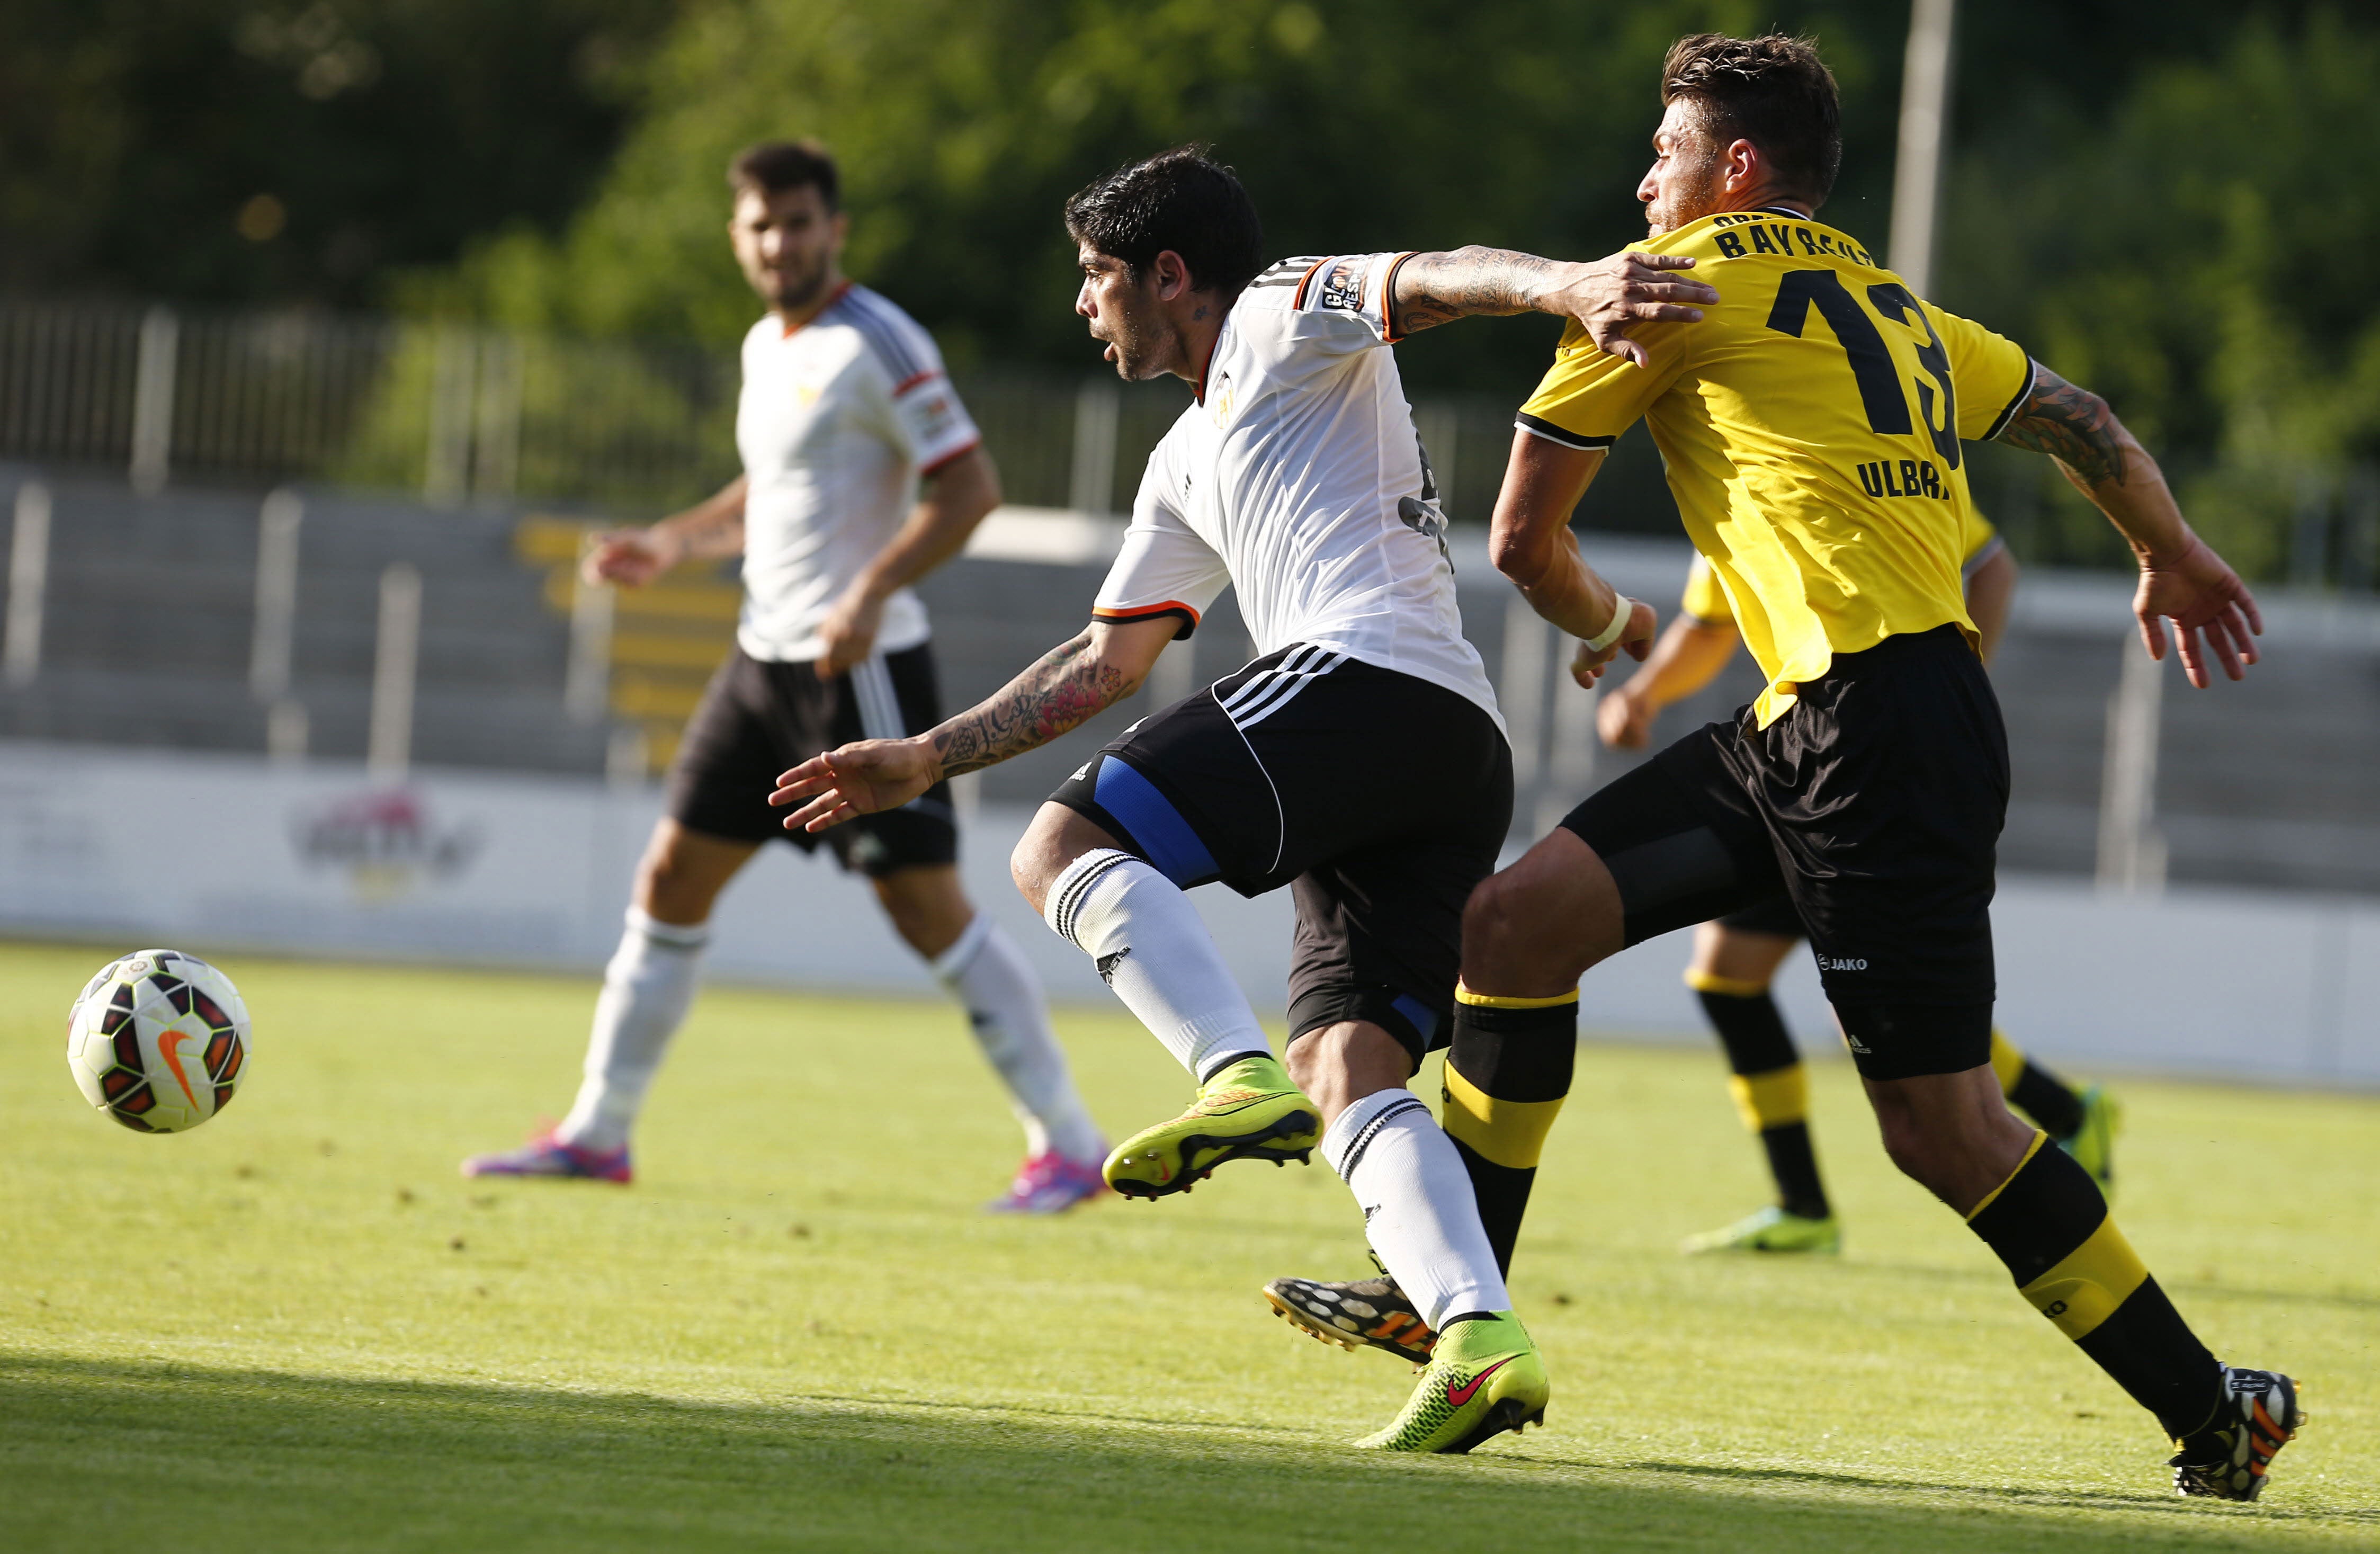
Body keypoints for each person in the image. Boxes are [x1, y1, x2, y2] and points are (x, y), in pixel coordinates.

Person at [1264, 34, 2300, 1502]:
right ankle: (1457, 1310)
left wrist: (1606, 626)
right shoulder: (1895, 302)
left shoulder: (1659, 292)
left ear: (1731, 169)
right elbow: (2082, 418)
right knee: (1513, 925)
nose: (1642, 181)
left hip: (1870, 731)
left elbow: (1516, 540)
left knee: (1941, 1127)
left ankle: (2213, 1402)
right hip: (1827, 719)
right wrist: (2171, 550)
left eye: (1661, 151)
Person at [768, 146, 1717, 1451]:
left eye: (1098, 278)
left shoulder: (1278, 309)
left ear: (1171, 275)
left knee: (1061, 847)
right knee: (1352, 1066)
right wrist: (929, 756)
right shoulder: (1181, 456)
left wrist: (1572, 287)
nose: (1084, 307)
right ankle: (1478, 1339)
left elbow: (1432, 282)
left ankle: (1229, 1075)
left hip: (1368, 682)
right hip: (1448, 751)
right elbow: (1108, 663)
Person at [463, 140, 1108, 1215]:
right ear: (739, 236)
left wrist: (865, 595)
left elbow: (969, 489)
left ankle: (1070, 1144)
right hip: (762, 663)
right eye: (762, 226)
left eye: (800, 223)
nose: (781, 244)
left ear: (834, 228)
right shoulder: (771, 344)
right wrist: (671, 545)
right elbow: (772, 489)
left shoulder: (880, 341)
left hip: (858, 671)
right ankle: (597, 1133)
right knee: (671, 880)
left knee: (926, 909)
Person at [1599, 526, 2119, 1256]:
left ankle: (2059, 1115)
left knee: (1876, 1006)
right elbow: (1707, 624)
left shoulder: (1840, 448)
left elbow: (1993, 564)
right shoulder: (1720, 484)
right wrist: (1643, 693)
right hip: (1800, 764)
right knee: (1732, 977)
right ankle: (1806, 1203)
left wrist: (1952, 694)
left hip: (1879, 766)